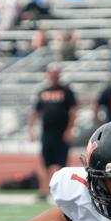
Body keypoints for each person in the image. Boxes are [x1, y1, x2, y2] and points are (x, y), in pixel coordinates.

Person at [29, 64, 77, 202]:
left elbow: (73, 111)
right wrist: (31, 129)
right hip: (47, 133)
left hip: (61, 133)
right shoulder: (43, 92)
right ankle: (44, 191)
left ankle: (64, 192)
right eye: (52, 73)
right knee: (45, 164)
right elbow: (36, 111)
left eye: (56, 73)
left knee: (62, 165)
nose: (54, 75)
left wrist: (69, 129)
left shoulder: (67, 91)